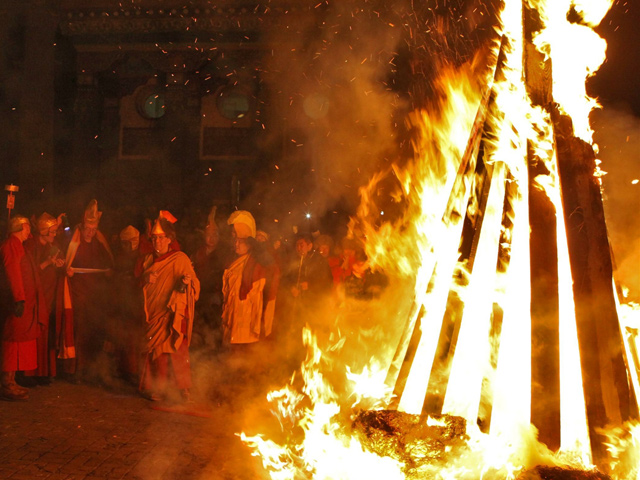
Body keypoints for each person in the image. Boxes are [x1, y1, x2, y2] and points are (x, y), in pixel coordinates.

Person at [137, 214, 200, 402]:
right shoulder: (147, 261)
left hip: (173, 312)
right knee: (158, 351)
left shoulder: (180, 259)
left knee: (177, 349)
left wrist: (188, 282)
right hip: (155, 312)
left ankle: (183, 388)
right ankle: (159, 387)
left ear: (170, 239)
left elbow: (195, 283)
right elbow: (135, 286)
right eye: (154, 238)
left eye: (161, 238)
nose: (157, 242)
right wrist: (145, 279)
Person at [63, 199, 114, 382]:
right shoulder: (73, 240)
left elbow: (108, 262)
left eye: (94, 230)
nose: (91, 233)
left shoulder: (99, 241)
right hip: (78, 293)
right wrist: (67, 271)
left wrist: (108, 272)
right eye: (88, 229)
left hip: (95, 295)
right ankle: (75, 369)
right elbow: (64, 261)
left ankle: (91, 370)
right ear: (82, 227)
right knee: (79, 330)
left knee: (93, 330)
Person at [0, 216, 47, 400]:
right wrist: (19, 299)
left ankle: (11, 380)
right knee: (12, 340)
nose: (29, 231)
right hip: (15, 304)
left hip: (22, 304)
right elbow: (13, 271)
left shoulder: (19, 245)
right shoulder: (11, 245)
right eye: (27, 228)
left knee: (18, 340)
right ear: (21, 227)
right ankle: (7, 383)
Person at [221, 210, 277, 345]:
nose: (236, 244)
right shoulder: (231, 260)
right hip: (232, 317)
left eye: (240, 241)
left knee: (248, 357)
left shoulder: (259, 262)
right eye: (235, 240)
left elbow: (270, 281)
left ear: (249, 242)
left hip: (249, 321)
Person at [23, 212, 65, 385]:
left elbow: (54, 262)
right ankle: (29, 373)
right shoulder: (31, 246)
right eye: (52, 232)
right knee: (35, 332)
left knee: (47, 333)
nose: (55, 235)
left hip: (49, 296)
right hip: (35, 296)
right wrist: (48, 262)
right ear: (43, 231)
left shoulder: (51, 245)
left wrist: (59, 264)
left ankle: (44, 371)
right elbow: (29, 272)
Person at [112, 225, 143, 383]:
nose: (130, 246)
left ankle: (135, 371)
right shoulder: (119, 257)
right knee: (123, 337)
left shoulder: (142, 256)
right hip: (122, 301)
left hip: (137, 301)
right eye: (126, 242)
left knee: (135, 338)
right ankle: (124, 370)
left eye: (134, 241)